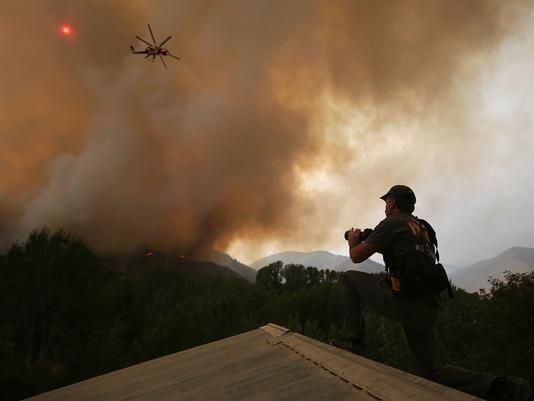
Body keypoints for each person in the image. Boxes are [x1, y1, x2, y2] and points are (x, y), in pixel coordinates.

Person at [334, 185, 531, 401]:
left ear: (392, 203)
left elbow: (357, 257)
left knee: (347, 279)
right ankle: (502, 386)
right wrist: (373, 237)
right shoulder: (422, 228)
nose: (385, 207)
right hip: (429, 307)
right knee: (430, 372)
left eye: (386, 202)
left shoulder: (391, 223)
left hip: (405, 302)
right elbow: (404, 251)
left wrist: (354, 242)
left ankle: (354, 343)